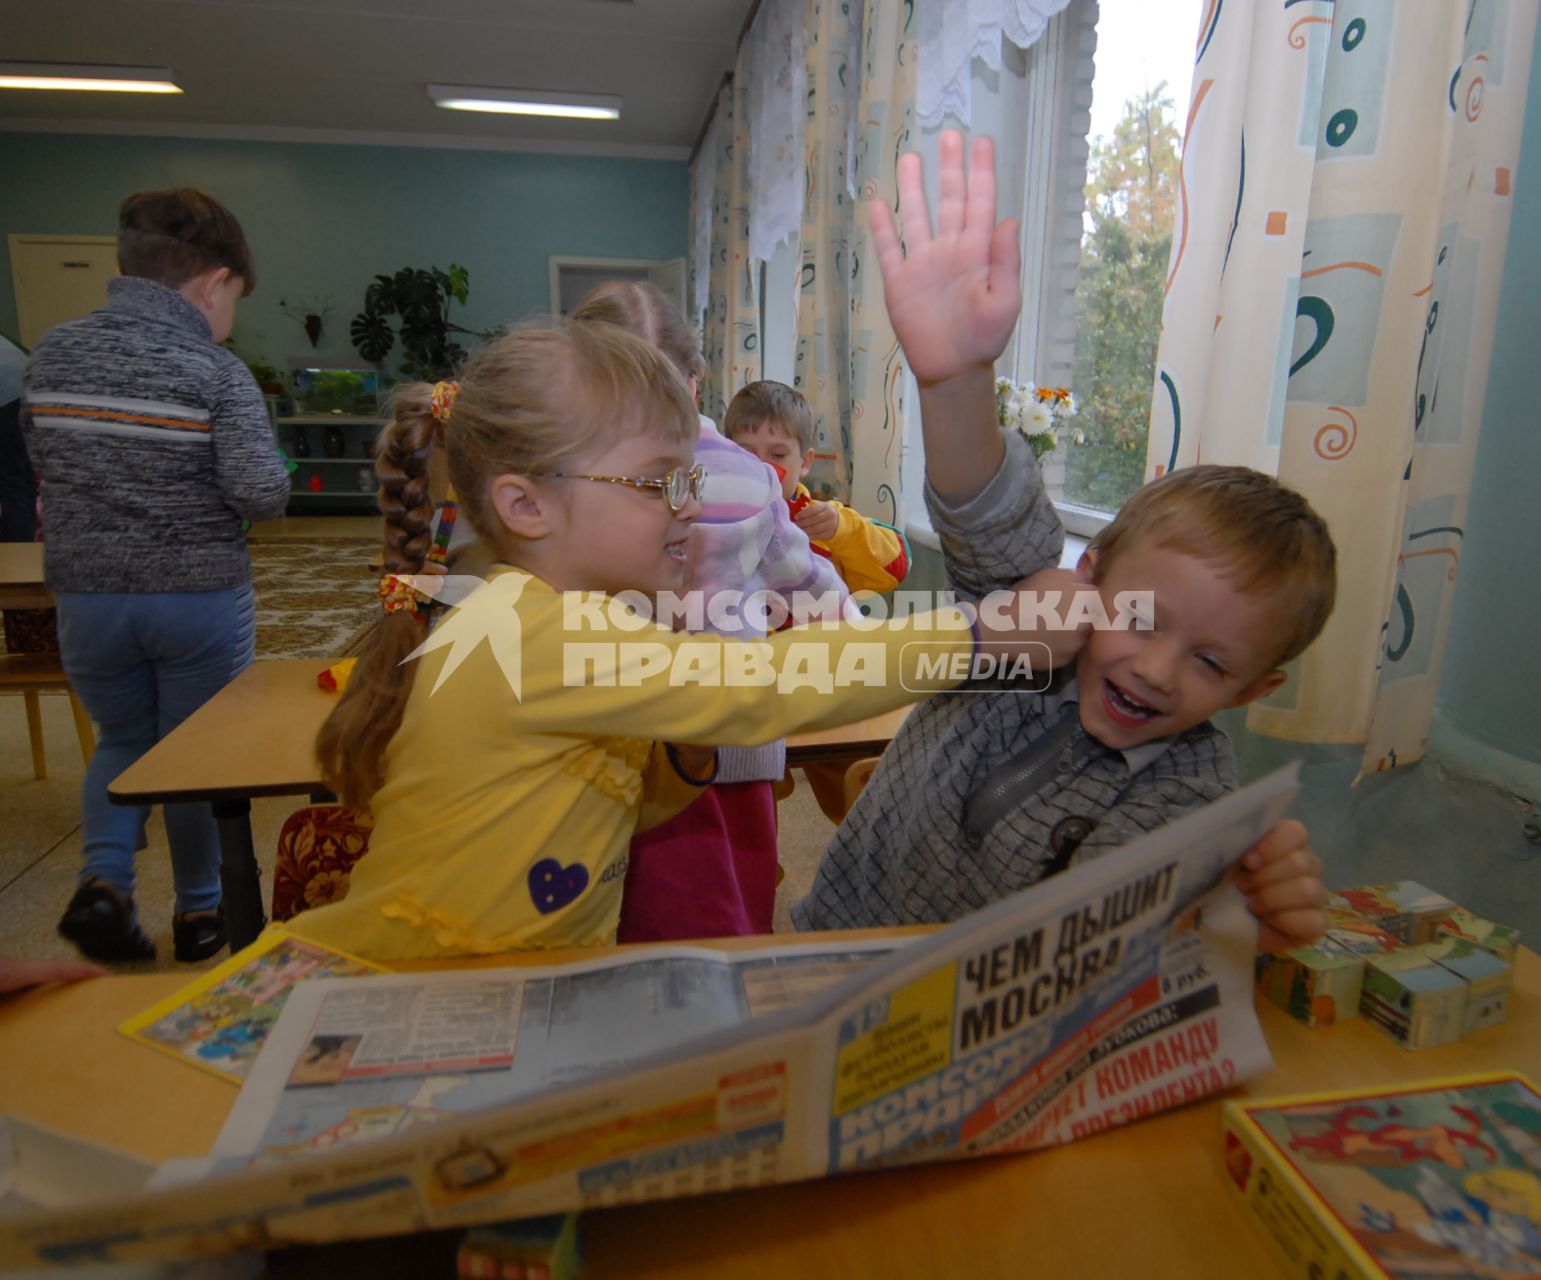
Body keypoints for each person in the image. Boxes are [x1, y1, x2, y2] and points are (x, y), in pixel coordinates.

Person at [293, 320, 1050, 964]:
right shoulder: (539, 631)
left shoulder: (562, 616)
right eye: (661, 484)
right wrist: (982, 633)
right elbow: (761, 685)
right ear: (526, 505)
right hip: (421, 979)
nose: (690, 508)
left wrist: (680, 766)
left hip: (509, 979)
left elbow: (596, 804)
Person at [793, 132, 1332, 955]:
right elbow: (988, 513)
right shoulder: (1030, 633)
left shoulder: (1187, 794)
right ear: (1087, 578)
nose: (1155, 669)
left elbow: (1102, 944)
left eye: (1212, 663)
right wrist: (953, 380)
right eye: (1143, 621)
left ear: (1255, 688)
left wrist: (1215, 917)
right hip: (821, 953)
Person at [22, 188, 292, 964]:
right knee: (196, 751)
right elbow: (258, 493)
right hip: (194, 593)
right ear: (213, 283)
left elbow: (43, 463)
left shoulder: (54, 352)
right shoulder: (214, 370)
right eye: (235, 298)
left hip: (88, 593)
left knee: (123, 741)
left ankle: (104, 883)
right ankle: (201, 912)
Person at [569, 281, 850, 942]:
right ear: (693, 383)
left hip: (617, 736)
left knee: (628, 928)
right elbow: (811, 584)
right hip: (716, 734)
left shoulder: (570, 475)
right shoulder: (747, 475)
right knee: (720, 927)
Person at [723, 380, 910, 594]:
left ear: (805, 462)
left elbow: (896, 567)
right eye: (747, 453)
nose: (762, 467)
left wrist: (842, 530)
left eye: (778, 455)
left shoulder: (822, 522)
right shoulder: (711, 516)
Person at [0, 333, 36, 542]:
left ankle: (17, 552)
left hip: (6, 398)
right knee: (22, 481)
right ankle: (25, 555)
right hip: (28, 392)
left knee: (13, 483)